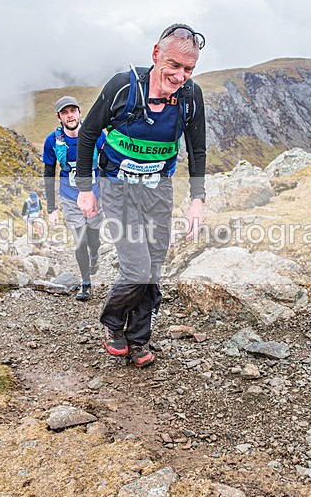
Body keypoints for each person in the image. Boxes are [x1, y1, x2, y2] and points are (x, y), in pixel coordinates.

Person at [75, 23, 207, 368]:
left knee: (153, 269)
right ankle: (113, 321)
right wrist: (85, 189)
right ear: (155, 55)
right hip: (117, 190)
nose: (180, 76)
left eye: (189, 69)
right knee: (137, 269)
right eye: (174, 66)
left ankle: (138, 340)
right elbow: (88, 133)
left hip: (158, 192)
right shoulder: (123, 87)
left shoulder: (191, 98)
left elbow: (197, 151)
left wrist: (196, 200)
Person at [42, 96, 107, 301]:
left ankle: (95, 254)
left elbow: (108, 163)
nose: (70, 115)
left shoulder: (96, 135)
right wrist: (51, 209)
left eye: (73, 111)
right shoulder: (53, 141)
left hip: (96, 196)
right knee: (80, 242)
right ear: (59, 117)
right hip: (70, 198)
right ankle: (85, 284)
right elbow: (49, 174)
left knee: (93, 239)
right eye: (65, 112)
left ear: (80, 113)